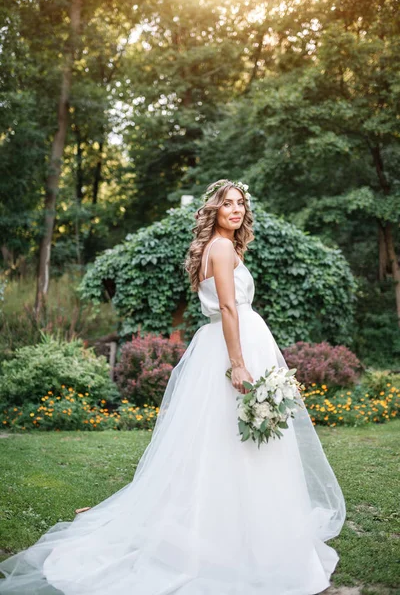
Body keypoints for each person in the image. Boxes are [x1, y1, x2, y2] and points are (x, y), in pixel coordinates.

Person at [0, 179, 346, 594]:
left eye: (240, 203)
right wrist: (238, 365)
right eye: (227, 204)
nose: (235, 210)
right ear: (214, 211)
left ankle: (237, 526)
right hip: (231, 348)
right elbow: (230, 308)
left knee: (222, 442)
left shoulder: (216, 248)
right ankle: (238, 537)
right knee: (236, 442)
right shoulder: (220, 248)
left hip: (224, 344)